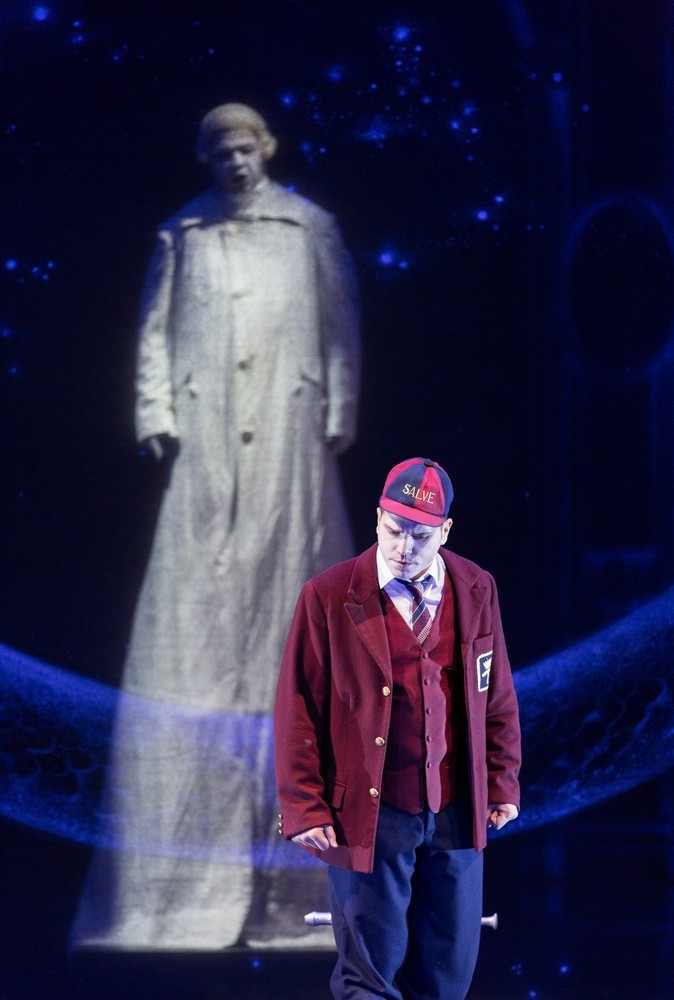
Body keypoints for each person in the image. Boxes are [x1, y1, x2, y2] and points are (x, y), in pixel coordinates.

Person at [72, 103, 360, 949]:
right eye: (222, 151)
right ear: (208, 158)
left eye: (246, 148)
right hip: (206, 442)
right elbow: (156, 329)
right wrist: (155, 410)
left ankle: (298, 888)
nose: (236, 162)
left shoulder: (308, 227)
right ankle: (181, 885)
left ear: (265, 150)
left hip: (289, 431)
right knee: (196, 615)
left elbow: (339, 324)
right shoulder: (184, 234)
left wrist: (339, 407)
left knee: (292, 595)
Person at [274, 457, 521, 999]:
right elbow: (297, 708)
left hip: (455, 809)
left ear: (445, 531)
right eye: (394, 530)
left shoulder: (476, 588)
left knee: (447, 975)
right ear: (378, 518)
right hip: (372, 812)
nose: (404, 547)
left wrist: (502, 781)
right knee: (369, 976)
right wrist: (304, 806)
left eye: (420, 535)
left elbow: (496, 694)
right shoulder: (329, 594)